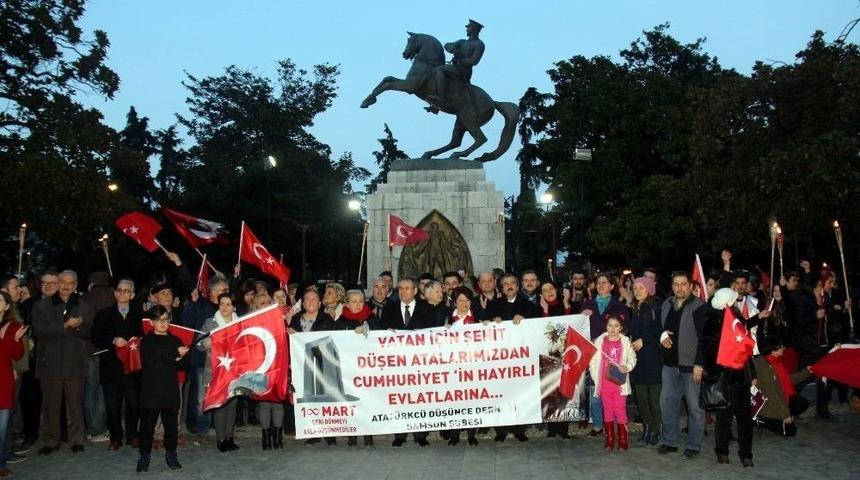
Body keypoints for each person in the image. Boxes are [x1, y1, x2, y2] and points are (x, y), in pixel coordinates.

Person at [31, 270, 93, 455]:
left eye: (70, 283)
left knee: (75, 405)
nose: (66, 286)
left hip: (75, 363)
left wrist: (81, 325)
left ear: (75, 285)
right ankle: (50, 441)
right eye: (63, 282)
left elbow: (90, 332)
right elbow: (40, 331)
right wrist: (65, 325)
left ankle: (76, 440)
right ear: (57, 284)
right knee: (51, 406)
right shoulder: (41, 306)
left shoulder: (83, 305)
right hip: (49, 364)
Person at [701, 288, 756, 467]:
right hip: (725, 376)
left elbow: (746, 349)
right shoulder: (713, 321)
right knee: (724, 416)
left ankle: (746, 453)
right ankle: (722, 451)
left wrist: (752, 373)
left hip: (742, 376)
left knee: (745, 417)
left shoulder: (737, 319)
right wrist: (719, 367)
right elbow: (708, 349)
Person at [380, 278, 435, 446]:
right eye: (401, 289)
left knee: (419, 399)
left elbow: (434, 330)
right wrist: (385, 332)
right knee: (400, 399)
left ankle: (421, 436)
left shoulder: (426, 308)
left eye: (407, 288)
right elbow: (381, 329)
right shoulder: (389, 308)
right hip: (397, 363)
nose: (403, 292)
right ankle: (400, 435)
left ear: (416, 291)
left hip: (420, 363)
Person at [657, 271, 706, 459]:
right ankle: (669, 442)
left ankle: (693, 445)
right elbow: (660, 327)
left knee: (694, 408)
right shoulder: (666, 304)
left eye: (683, 284)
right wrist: (662, 335)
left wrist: (699, 364)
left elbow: (705, 339)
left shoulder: (698, 306)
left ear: (690, 286)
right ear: (672, 286)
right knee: (667, 404)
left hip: (691, 366)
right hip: (669, 365)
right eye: (676, 284)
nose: (679, 288)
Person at [486, 274, 540, 442]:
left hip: (520, 360)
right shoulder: (493, 305)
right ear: (501, 288)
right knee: (500, 395)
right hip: (499, 359)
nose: (509, 286)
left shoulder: (528, 305)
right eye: (505, 284)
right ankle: (501, 431)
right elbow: (484, 324)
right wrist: (491, 321)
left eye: (512, 284)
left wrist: (525, 320)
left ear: (518, 286)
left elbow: (537, 325)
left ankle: (520, 430)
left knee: (520, 394)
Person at [91, 278, 144, 450]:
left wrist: (139, 340)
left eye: (127, 291)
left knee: (133, 404)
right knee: (112, 406)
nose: (122, 293)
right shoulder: (103, 314)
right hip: (111, 367)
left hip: (132, 368)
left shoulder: (139, 315)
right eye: (120, 290)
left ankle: (132, 436)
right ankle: (115, 438)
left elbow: (147, 336)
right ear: (115, 293)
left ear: (132, 294)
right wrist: (113, 340)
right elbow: (95, 338)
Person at [136, 306, 190, 473]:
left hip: (169, 389)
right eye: (159, 320)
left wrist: (182, 356)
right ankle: (144, 456)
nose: (163, 323)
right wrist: (173, 354)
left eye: (166, 320)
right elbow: (151, 361)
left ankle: (171, 454)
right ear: (152, 322)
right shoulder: (146, 341)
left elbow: (182, 366)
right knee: (147, 428)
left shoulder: (175, 340)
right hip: (150, 390)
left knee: (171, 427)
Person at [580, 273, 629, 436]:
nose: (601, 285)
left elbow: (625, 329)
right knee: (595, 389)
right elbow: (578, 329)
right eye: (598, 283)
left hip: (612, 355)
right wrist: (581, 317)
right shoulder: (587, 304)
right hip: (593, 355)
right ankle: (598, 424)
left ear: (612, 286)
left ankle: (615, 422)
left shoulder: (619, 307)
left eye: (605, 282)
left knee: (613, 390)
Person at [289, 289, 337, 445]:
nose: (310, 302)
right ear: (303, 303)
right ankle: (313, 432)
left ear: (319, 303)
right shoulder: (295, 319)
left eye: (313, 299)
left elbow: (335, 340)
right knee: (309, 399)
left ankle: (330, 433)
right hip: (303, 365)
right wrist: (289, 333)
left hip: (324, 364)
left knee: (326, 397)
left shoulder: (327, 319)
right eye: (307, 299)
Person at [181, 275, 228, 435]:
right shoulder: (200, 304)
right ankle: (198, 426)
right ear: (213, 291)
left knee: (219, 392)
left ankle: (216, 423)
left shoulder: (227, 307)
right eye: (224, 290)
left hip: (222, 360)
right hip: (202, 358)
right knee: (200, 395)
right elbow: (186, 323)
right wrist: (191, 304)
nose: (227, 292)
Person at [197, 293, 241, 452]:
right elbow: (198, 344)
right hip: (216, 371)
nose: (225, 307)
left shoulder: (241, 323)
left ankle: (230, 438)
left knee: (232, 406)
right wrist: (205, 343)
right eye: (222, 304)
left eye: (228, 304)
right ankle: (220, 439)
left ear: (234, 307)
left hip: (235, 371)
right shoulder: (210, 323)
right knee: (220, 405)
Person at [589, 316, 637, 451]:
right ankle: (609, 439)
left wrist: (627, 367)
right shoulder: (599, 342)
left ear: (621, 328)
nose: (613, 329)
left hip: (619, 384)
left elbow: (633, 358)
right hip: (604, 384)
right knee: (608, 411)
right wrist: (596, 377)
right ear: (606, 327)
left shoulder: (626, 342)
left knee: (620, 411)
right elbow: (592, 362)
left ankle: (623, 439)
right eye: (610, 325)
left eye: (616, 326)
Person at [627, 276, 663, 445]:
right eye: (635, 288)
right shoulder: (636, 309)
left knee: (653, 398)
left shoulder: (655, 307)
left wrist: (645, 340)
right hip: (638, 360)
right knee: (641, 398)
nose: (638, 291)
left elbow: (661, 333)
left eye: (642, 287)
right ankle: (647, 427)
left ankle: (656, 429)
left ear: (649, 289)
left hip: (652, 359)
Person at [340, 289, 376, 446]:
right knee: (351, 402)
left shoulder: (372, 318)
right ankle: (352, 434)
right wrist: (351, 333)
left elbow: (381, 339)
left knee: (368, 402)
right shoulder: (341, 321)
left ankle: (368, 434)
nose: (357, 304)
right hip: (349, 370)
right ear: (347, 303)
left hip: (368, 369)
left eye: (360, 301)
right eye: (353, 301)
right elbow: (336, 339)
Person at [444, 286, 479, 446]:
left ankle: (472, 434)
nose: (464, 303)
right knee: (453, 400)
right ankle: (454, 434)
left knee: (472, 399)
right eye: (460, 300)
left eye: (467, 300)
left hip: (473, 366)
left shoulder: (479, 318)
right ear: (454, 302)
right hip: (451, 367)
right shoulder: (445, 319)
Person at [427, 19, 485, 111]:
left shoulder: (479, 44)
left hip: (464, 71)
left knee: (440, 70)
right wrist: (453, 50)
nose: (466, 29)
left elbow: (474, 61)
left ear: (474, 29)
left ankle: (439, 99)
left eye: (468, 27)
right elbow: (447, 45)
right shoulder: (462, 42)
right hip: (455, 68)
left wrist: (461, 59)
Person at [0, 292, 27, 477]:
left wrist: (16, 339)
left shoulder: (14, 327)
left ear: (7, 306)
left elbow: (17, 356)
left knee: (1, 428)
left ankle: (1, 463)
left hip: (4, 380)